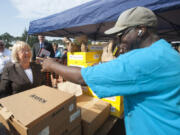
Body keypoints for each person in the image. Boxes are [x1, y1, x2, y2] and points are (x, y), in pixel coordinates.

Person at [40, 7, 180, 135]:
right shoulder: (168, 52)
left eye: (122, 34)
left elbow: (82, 78)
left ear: (141, 30)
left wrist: (50, 65)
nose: (119, 41)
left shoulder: (140, 60)